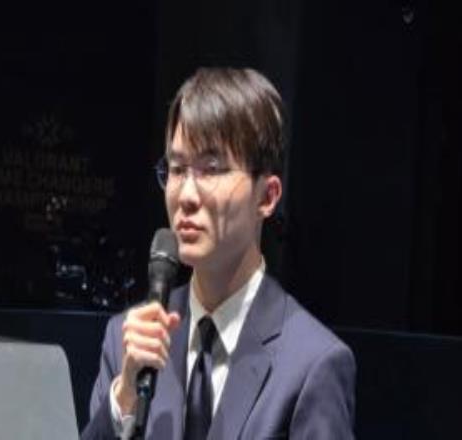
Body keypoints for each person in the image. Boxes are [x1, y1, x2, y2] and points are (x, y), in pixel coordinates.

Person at [81, 67, 356, 440]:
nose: (186, 195)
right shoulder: (127, 342)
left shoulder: (312, 364)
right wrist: (125, 395)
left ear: (267, 196)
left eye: (211, 170)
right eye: (177, 169)